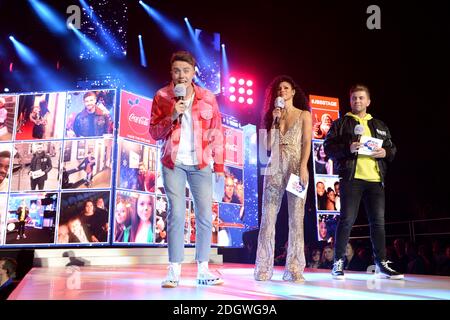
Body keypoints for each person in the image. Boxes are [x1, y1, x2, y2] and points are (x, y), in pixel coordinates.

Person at [149, 50, 225, 288]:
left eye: (186, 70)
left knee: (204, 216)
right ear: (171, 72)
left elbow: (217, 133)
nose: (181, 75)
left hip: (201, 164)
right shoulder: (162, 96)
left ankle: (203, 268)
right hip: (173, 163)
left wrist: (220, 166)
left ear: (193, 72)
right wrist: (172, 115)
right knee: (177, 214)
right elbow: (153, 133)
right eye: (176, 71)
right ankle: (174, 270)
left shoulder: (208, 98)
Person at [323, 84, 403, 280]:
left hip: (375, 180)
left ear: (368, 101)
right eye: (353, 98)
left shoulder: (379, 125)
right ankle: (338, 262)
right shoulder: (341, 123)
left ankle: (381, 262)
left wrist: (386, 152)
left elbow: (392, 148)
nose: (357, 101)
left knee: (378, 223)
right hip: (352, 178)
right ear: (350, 101)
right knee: (347, 220)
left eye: (361, 98)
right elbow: (328, 147)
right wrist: (347, 148)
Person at [254, 75, 312, 282]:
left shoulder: (305, 114)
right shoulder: (271, 116)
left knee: (296, 218)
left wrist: (304, 167)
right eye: (279, 89)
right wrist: (275, 121)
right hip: (274, 165)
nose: (282, 91)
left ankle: (294, 268)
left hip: (296, 165)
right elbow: (266, 147)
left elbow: (307, 142)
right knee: (268, 217)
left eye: (286, 88)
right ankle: (263, 268)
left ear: (293, 92)